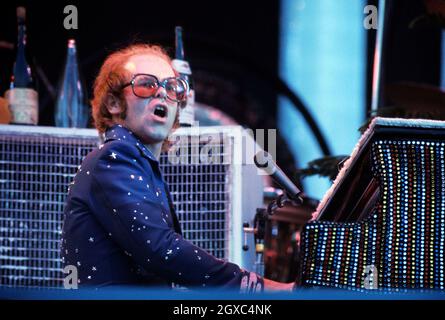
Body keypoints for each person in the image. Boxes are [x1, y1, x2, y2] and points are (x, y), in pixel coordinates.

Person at [60, 43, 294, 292]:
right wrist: (258, 287)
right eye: (146, 84)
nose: (162, 93)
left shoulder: (138, 162)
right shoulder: (116, 156)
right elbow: (161, 249)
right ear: (114, 104)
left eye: (173, 87)